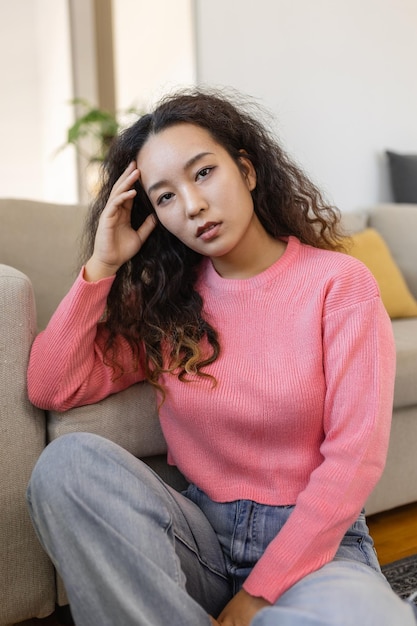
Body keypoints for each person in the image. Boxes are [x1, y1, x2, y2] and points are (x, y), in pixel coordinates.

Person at [26, 88, 416, 626]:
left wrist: (257, 595)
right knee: (65, 466)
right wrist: (101, 265)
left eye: (203, 173)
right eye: (164, 197)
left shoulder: (338, 286)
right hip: (200, 540)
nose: (191, 206)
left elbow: (354, 461)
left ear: (247, 170)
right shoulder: (170, 303)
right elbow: (52, 385)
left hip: (316, 553)